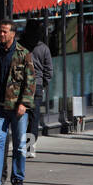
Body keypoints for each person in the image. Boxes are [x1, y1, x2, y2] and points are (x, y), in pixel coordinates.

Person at [0, 18, 36, 185]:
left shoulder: (23, 54)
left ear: (13, 33)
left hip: (17, 108)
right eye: (1, 31)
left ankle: (18, 178)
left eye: (5, 32)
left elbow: (30, 81)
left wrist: (24, 104)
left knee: (20, 144)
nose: (2, 34)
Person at [22, 20, 54, 156]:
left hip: (22, 86)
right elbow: (49, 70)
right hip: (38, 85)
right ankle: (30, 148)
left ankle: (22, 146)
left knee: (22, 117)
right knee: (34, 118)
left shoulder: (20, 45)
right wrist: (44, 83)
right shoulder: (44, 48)